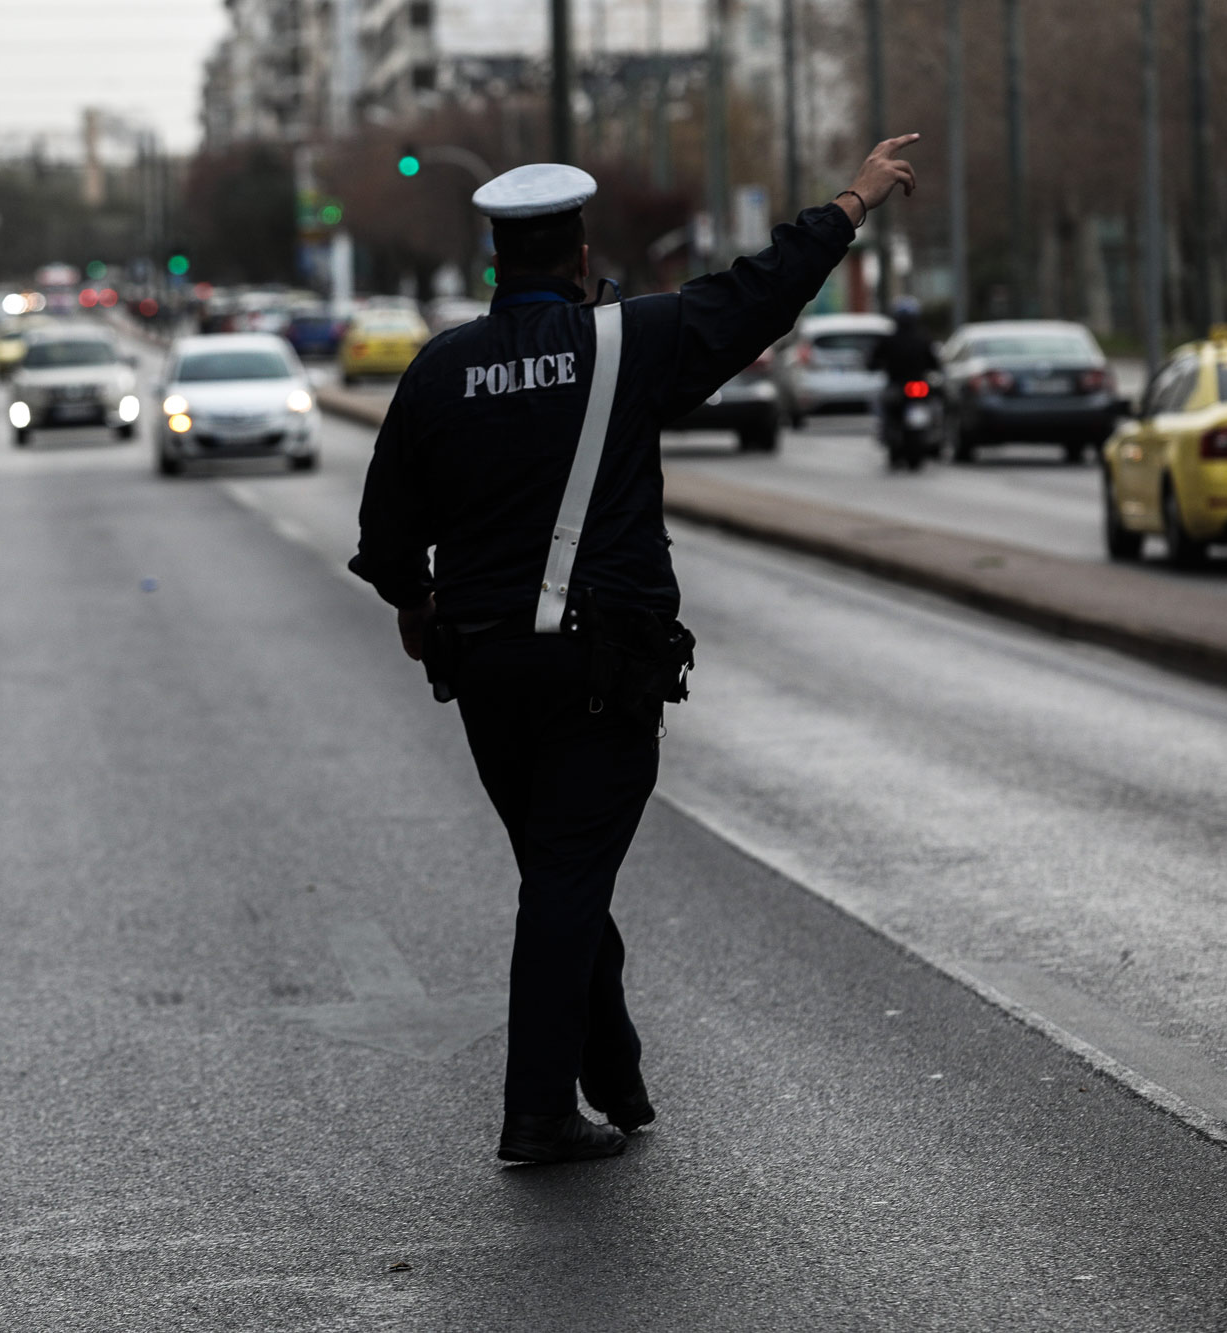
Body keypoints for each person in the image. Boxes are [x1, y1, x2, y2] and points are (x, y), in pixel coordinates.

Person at [350, 134, 921, 1164]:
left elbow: (385, 535)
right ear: (577, 255)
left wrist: (413, 602)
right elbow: (757, 293)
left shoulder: (437, 368)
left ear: (493, 262)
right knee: (567, 875)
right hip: (597, 670)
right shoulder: (627, 342)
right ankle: (533, 1109)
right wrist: (850, 201)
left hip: (483, 672)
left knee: (559, 868)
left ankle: (611, 1077)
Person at [866, 296, 942, 461]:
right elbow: (936, 363)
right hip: (910, 386)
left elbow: (872, 361)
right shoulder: (924, 338)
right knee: (883, 405)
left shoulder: (890, 339)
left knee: (883, 405)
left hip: (902, 386)